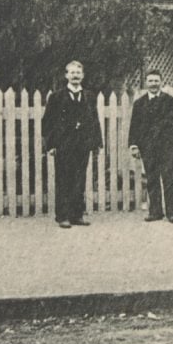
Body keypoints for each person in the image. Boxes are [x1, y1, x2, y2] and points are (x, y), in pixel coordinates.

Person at [41, 60, 104, 229]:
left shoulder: (90, 96)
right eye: (72, 73)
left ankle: (77, 215)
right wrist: (51, 144)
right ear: (66, 75)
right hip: (63, 144)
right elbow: (48, 122)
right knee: (63, 180)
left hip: (82, 144)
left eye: (78, 73)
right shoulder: (56, 97)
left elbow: (94, 120)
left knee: (79, 179)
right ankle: (62, 216)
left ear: (82, 76)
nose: (75, 76)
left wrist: (97, 142)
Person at [128, 69, 173, 223]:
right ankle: (155, 211)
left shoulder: (170, 100)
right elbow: (134, 126)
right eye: (150, 81)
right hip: (147, 146)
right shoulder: (139, 104)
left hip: (167, 145)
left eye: (156, 81)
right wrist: (134, 145)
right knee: (152, 179)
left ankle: (172, 212)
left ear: (161, 82)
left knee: (169, 178)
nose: (153, 84)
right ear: (146, 83)